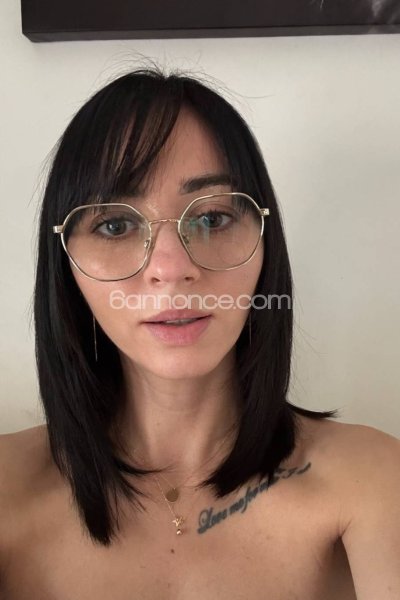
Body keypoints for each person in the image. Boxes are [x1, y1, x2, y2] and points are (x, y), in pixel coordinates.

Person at [0, 66, 399, 600]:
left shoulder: (373, 481)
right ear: (65, 263)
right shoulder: (6, 490)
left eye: (211, 219)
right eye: (115, 225)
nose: (171, 269)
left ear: (265, 241)